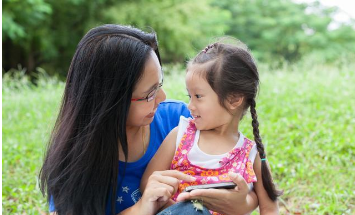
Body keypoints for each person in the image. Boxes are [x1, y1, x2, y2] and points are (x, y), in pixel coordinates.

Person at [39, 24, 259, 215]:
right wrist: (142, 207)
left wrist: (240, 204)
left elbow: (251, 189)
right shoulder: (73, 164)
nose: (162, 98)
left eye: (159, 85)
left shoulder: (180, 121)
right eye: (150, 93)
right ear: (110, 101)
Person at [142, 40, 283, 214]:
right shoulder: (181, 135)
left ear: (234, 99)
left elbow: (270, 208)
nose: (190, 106)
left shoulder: (251, 154)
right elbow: (148, 184)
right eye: (189, 96)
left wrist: (245, 203)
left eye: (198, 96)